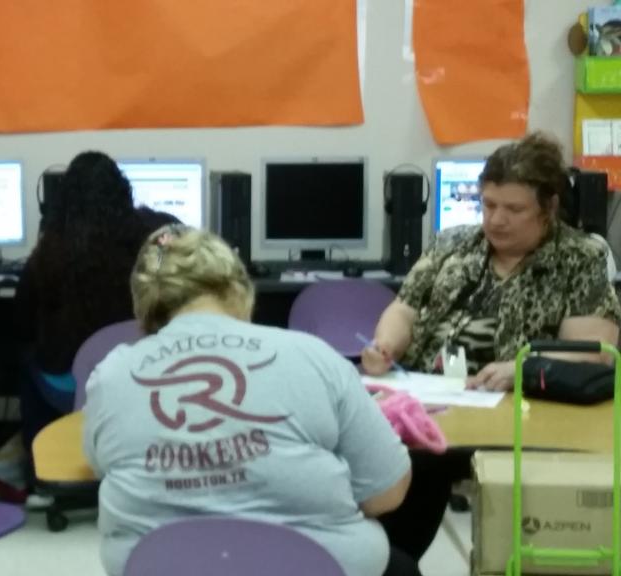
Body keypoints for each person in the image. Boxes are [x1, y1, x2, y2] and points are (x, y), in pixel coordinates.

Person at [83, 225, 418, 576]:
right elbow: (388, 491)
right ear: (237, 287)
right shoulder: (314, 357)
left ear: (145, 305)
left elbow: (100, 464)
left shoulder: (111, 376)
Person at [361, 132, 621, 559]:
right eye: (488, 205)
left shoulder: (580, 259)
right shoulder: (451, 245)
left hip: (519, 411)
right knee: (388, 465)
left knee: (426, 466)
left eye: (514, 209)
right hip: (434, 399)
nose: (496, 220)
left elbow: (591, 350)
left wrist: (521, 367)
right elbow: (404, 309)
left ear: (548, 208)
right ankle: (388, 561)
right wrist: (384, 345)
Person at [14, 151, 178, 471]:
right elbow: (179, 233)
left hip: (71, 387)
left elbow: (22, 319)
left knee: (25, 359)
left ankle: (39, 465)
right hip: (137, 377)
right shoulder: (148, 243)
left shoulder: (48, 253)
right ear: (123, 191)